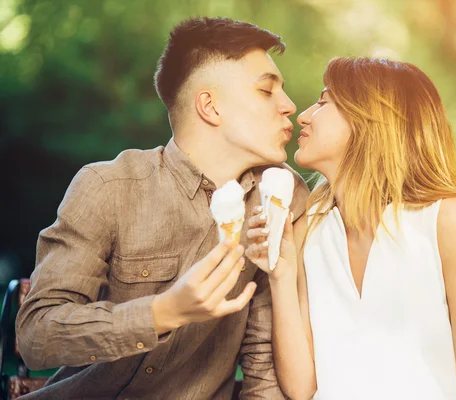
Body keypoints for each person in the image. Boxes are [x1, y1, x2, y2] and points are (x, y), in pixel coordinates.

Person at [16, 17, 308, 399]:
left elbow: (261, 365)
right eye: (267, 91)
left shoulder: (281, 197)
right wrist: (164, 312)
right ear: (210, 107)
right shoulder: (109, 187)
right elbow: (36, 335)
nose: (289, 106)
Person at [246, 57, 456, 399]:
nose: (303, 115)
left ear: (369, 121)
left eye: (323, 102)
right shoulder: (308, 227)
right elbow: (302, 387)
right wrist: (281, 277)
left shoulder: (447, 218)